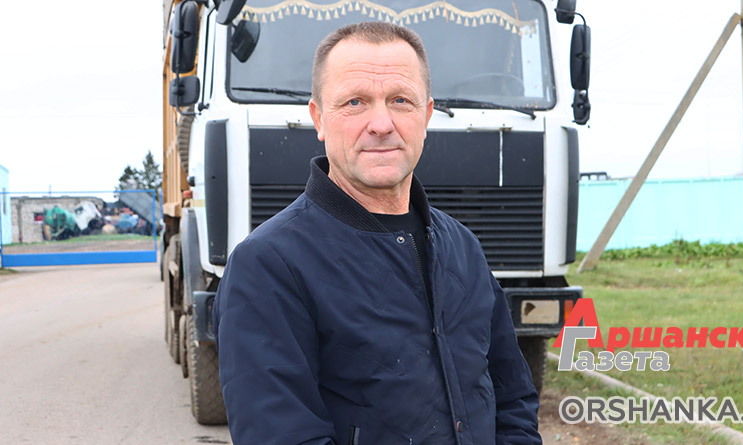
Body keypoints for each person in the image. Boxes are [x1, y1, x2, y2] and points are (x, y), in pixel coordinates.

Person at [213, 21, 543, 445]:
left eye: (400, 101)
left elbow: (512, 398)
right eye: (355, 102)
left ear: (426, 116)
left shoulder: (462, 248)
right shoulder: (268, 266)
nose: (382, 124)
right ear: (319, 118)